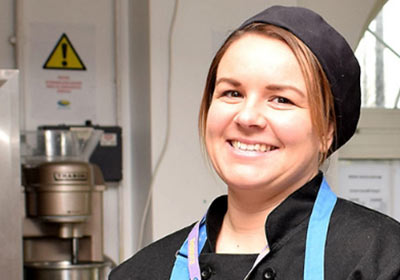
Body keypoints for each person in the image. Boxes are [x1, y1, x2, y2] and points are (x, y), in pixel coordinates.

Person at [109, 5, 400, 280]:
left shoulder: (382, 260)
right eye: (232, 93)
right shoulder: (140, 272)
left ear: (327, 130)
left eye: (281, 99)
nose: (247, 117)